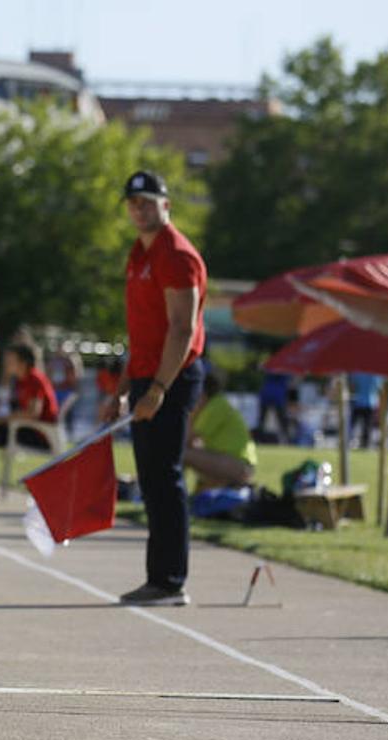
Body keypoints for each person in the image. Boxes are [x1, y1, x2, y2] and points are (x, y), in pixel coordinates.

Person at [108, 170, 207, 606]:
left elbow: (182, 328)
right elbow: (142, 331)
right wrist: (126, 386)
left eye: (147, 202)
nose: (139, 209)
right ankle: (159, 577)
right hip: (148, 375)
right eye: (133, 203)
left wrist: (159, 389)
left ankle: (169, 580)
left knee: (164, 479)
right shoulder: (138, 253)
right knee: (150, 479)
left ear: (166, 204)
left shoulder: (176, 254)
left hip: (174, 375)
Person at [0, 342, 58, 486]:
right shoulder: (20, 380)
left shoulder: (34, 379)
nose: (6, 363)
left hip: (41, 434)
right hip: (26, 428)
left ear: (23, 362)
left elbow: (33, 413)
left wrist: (0, 420)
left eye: (11, 360)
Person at [184, 373, 256, 491]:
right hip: (236, 463)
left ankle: (170, 494)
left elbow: (187, 439)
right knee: (187, 453)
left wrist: (190, 414)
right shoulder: (217, 403)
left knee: (180, 453)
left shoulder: (216, 406)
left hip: (238, 465)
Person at [347, 371, 384, 449]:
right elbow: (379, 388)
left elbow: (353, 385)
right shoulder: (376, 375)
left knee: (353, 424)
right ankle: (365, 444)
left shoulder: (358, 373)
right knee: (367, 426)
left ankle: (348, 441)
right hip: (370, 403)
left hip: (358, 401)